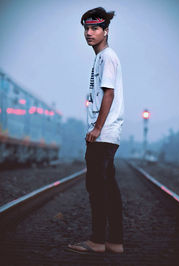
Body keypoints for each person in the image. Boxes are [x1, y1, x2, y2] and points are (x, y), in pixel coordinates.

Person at [68, 7, 124, 254]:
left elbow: (109, 94)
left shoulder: (107, 56)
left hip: (102, 135)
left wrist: (97, 127)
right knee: (108, 188)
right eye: (86, 29)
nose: (89, 33)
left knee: (97, 189)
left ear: (106, 31)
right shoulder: (100, 57)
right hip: (104, 135)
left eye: (95, 28)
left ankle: (97, 241)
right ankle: (115, 242)